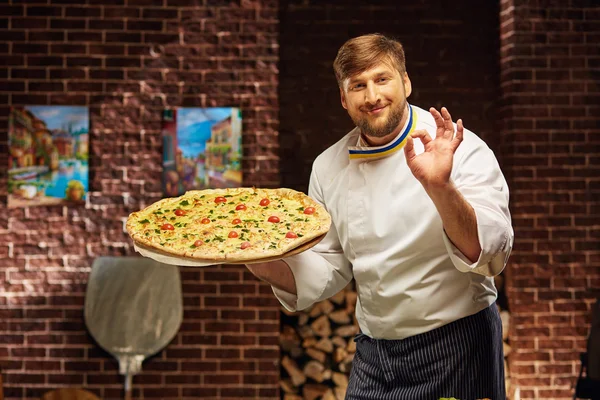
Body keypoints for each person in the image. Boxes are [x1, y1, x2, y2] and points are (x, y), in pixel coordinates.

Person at [246, 33, 514, 400]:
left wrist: (440, 187)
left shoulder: (459, 147)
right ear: (343, 98)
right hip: (375, 352)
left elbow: (491, 257)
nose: (372, 97)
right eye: (358, 85)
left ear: (406, 82)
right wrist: (255, 256)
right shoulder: (327, 167)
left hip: (458, 343)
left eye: (382, 79)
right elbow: (327, 266)